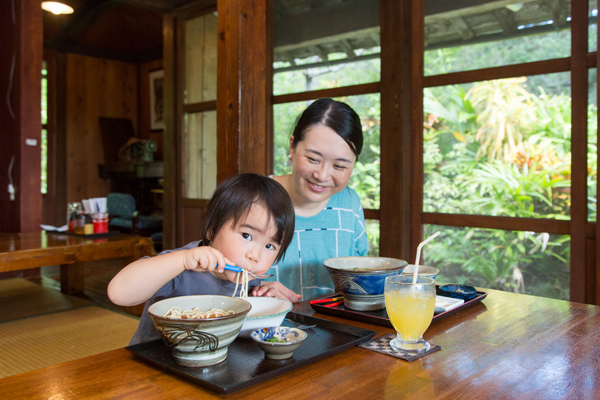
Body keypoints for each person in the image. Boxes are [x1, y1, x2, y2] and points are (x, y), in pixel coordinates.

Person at [107, 173, 295, 345]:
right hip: (156, 364)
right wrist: (181, 260)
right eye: (246, 235)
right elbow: (119, 293)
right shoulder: (182, 266)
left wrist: (268, 301)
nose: (255, 256)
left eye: (270, 246)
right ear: (212, 228)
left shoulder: (251, 281)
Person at [254, 98, 369, 301]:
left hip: (336, 329)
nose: (323, 176)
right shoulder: (252, 199)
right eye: (313, 159)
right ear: (292, 147)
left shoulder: (349, 203)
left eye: (340, 166)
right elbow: (215, 274)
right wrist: (254, 287)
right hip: (266, 329)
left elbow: (358, 275)